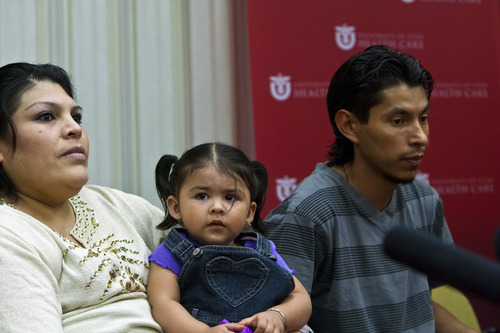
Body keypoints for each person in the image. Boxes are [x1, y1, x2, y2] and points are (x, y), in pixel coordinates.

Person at [264, 45, 478, 333]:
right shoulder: (305, 216)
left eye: (423, 119)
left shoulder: (424, 200)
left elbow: (423, 304)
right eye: (399, 121)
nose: (420, 137)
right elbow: (279, 323)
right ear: (349, 125)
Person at [0, 62, 167, 332]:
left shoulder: (119, 206)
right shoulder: (7, 233)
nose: (74, 129)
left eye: (76, 117)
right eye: (46, 116)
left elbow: (223, 254)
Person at [147, 142, 312, 333]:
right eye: (202, 196)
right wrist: (204, 332)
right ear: (175, 207)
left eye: (230, 197)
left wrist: (278, 315)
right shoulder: (171, 254)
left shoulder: (263, 251)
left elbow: (300, 298)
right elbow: (163, 304)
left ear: (250, 213)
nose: (218, 207)